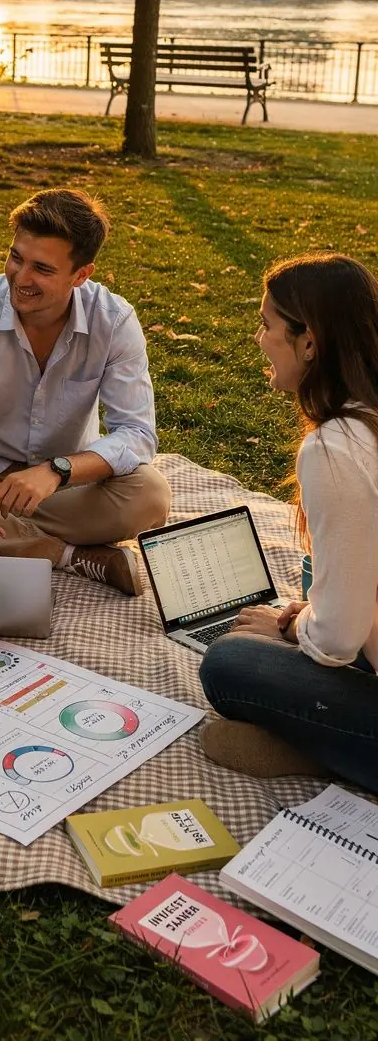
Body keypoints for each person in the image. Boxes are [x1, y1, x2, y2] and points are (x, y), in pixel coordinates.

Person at [0, 188, 171, 594]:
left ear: (81, 275)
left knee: (150, 496)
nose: (20, 279)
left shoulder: (113, 321)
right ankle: (72, 556)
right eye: (15, 258)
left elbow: (137, 435)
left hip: (61, 482)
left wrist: (58, 471)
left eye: (41, 269)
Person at [199, 253, 378, 792]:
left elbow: (336, 642)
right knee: (308, 578)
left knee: (227, 662)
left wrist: (291, 627)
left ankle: (326, 748)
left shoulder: (335, 449)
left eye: (267, 325)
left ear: (309, 342)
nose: (258, 338)